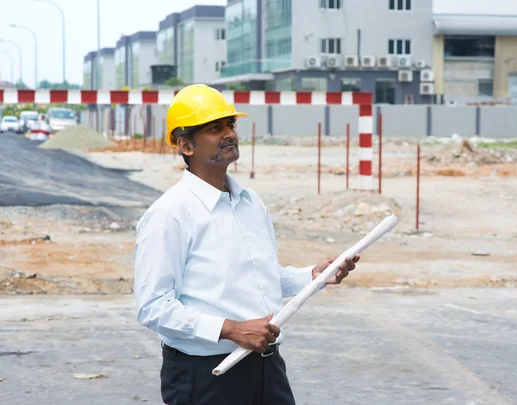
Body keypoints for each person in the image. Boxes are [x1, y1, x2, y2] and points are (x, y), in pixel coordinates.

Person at [134, 84, 360, 405]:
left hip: (266, 367)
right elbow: (153, 306)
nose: (229, 134)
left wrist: (316, 275)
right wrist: (230, 329)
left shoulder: (250, 202)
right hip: (206, 374)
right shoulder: (169, 215)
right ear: (186, 145)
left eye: (231, 125)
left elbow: (262, 278)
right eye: (215, 128)